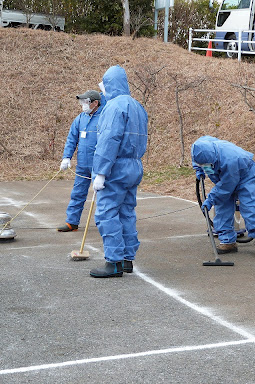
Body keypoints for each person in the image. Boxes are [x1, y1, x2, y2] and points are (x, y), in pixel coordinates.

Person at [89, 65, 148, 278]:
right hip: (134, 165)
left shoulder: (113, 107)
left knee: (107, 213)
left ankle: (113, 262)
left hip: (116, 167)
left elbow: (109, 140)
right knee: (127, 212)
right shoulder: (138, 106)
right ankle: (126, 259)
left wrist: (101, 172)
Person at [191, 135, 255, 257]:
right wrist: (199, 168)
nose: (205, 166)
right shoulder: (198, 147)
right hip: (224, 175)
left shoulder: (230, 159)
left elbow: (226, 187)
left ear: (213, 158)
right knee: (222, 206)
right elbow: (196, 159)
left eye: (206, 164)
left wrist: (210, 199)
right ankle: (227, 241)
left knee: (249, 206)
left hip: (245, 174)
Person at [57, 90, 103, 232]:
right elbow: (72, 139)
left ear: (95, 103)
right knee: (77, 193)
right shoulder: (80, 118)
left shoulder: (104, 117)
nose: (83, 105)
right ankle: (72, 222)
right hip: (83, 164)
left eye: (86, 102)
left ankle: (105, 224)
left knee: (102, 196)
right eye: (82, 102)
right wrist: (66, 157)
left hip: (99, 165)